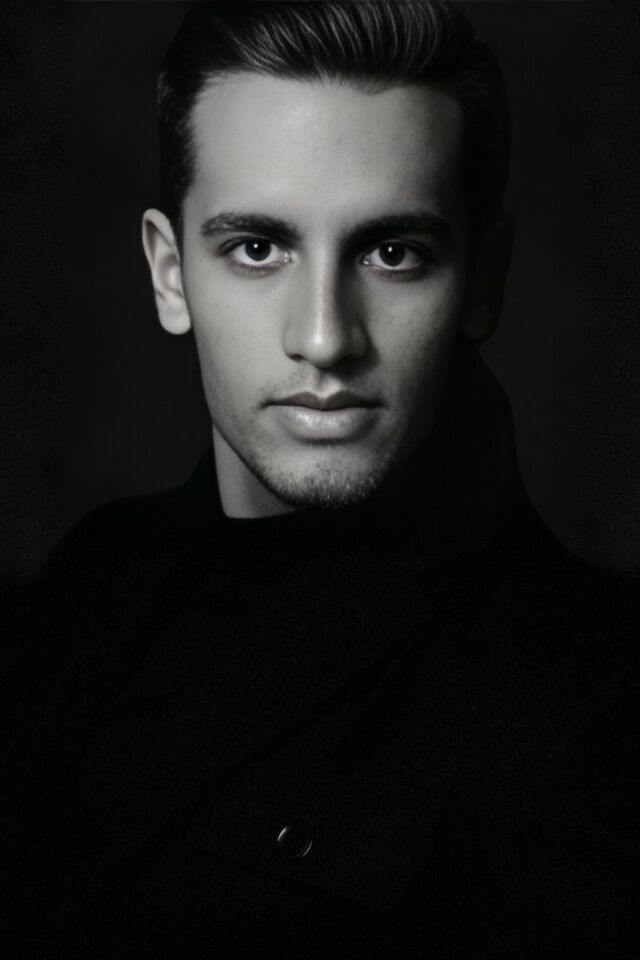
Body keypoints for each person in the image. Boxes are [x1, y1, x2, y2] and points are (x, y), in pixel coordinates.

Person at [3, 2, 637, 957]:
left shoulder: (595, 695)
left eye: (392, 253)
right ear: (170, 275)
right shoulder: (85, 589)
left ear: (482, 281)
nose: (324, 337)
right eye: (257, 248)